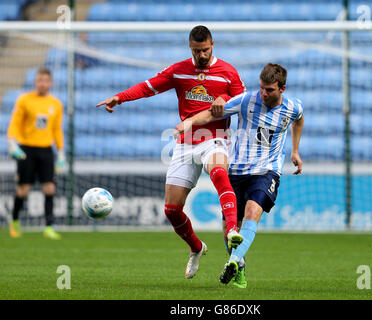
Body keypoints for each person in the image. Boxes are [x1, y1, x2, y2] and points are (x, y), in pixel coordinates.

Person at [96, 25, 246, 279]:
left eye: (205, 50)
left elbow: (245, 103)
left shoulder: (228, 72)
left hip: (215, 138)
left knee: (219, 172)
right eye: (197, 51)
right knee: (171, 210)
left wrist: (227, 102)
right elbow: (148, 87)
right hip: (185, 143)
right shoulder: (179, 71)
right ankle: (197, 248)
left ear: (213, 45)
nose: (201, 55)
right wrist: (119, 98)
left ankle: (232, 230)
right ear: (190, 48)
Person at [175, 63, 304, 287]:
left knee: (252, 211)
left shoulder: (293, 107)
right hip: (236, 171)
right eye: (262, 88)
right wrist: (190, 121)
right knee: (228, 233)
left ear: (282, 88)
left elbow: (299, 119)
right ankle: (239, 266)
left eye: (270, 90)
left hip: (267, 170)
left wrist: (294, 150)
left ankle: (233, 261)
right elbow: (212, 113)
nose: (264, 93)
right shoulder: (246, 100)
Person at [7, 67, 66, 240]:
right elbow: (15, 124)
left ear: (51, 83)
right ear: (35, 82)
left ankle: (49, 227)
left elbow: (57, 130)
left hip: (46, 150)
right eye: (40, 80)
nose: (43, 84)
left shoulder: (56, 104)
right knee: (23, 190)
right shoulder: (24, 100)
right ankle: (15, 220)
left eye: (46, 80)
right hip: (27, 149)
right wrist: (12, 144)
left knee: (49, 188)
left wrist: (61, 153)